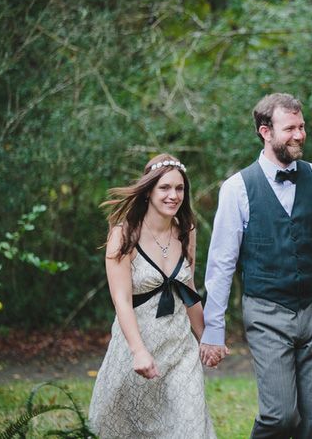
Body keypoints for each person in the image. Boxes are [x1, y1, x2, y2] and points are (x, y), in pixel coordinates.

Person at [200, 93, 312, 438]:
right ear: (266, 132)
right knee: (280, 416)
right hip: (266, 312)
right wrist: (213, 330)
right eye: (289, 128)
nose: (299, 135)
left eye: (302, 126)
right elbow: (221, 265)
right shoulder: (237, 188)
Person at [89, 153, 217, 438]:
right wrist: (139, 351)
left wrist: (208, 338)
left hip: (180, 348)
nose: (174, 195)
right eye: (165, 188)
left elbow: (189, 289)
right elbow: (121, 300)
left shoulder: (187, 232)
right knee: (123, 427)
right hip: (136, 344)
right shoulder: (123, 236)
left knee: (190, 425)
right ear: (148, 190)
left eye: (180, 188)